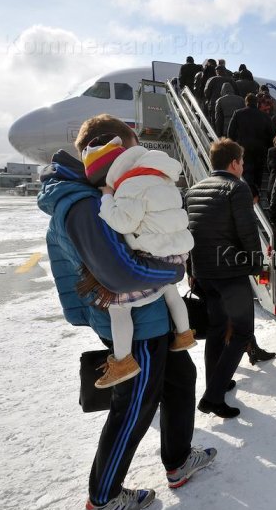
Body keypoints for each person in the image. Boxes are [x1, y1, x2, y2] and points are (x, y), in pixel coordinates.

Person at [38, 114, 216, 510]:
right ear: (117, 146)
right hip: (137, 326)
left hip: (150, 315)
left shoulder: (98, 190)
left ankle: (178, 459)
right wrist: (173, 270)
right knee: (135, 405)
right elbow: (119, 273)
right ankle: (103, 497)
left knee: (180, 379)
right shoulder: (83, 204)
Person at [79, 135, 197, 388]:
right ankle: (185, 334)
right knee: (171, 292)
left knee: (118, 306)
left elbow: (123, 222)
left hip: (153, 255)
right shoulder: (158, 175)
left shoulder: (130, 185)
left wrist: (107, 197)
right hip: (176, 252)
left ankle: (123, 361)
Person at [185, 139, 262, 418]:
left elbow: (188, 234)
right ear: (234, 163)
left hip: (205, 272)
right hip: (230, 273)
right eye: (242, 162)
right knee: (242, 332)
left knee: (218, 329)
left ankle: (215, 382)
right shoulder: (237, 188)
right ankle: (213, 397)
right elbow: (247, 231)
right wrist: (256, 264)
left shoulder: (193, 190)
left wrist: (191, 270)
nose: (243, 167)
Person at [227, 94, 273, 197]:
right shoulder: (265, 116)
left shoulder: (238, 113)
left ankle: (243, 195)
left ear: (246, 102)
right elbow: (271, 135)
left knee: (244, 172)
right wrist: (267, 149)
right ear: (257, 103)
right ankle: (256, 197)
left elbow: (230, 132)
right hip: (260, 151)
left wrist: (235, 146)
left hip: (243, 149)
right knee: (257, 176)